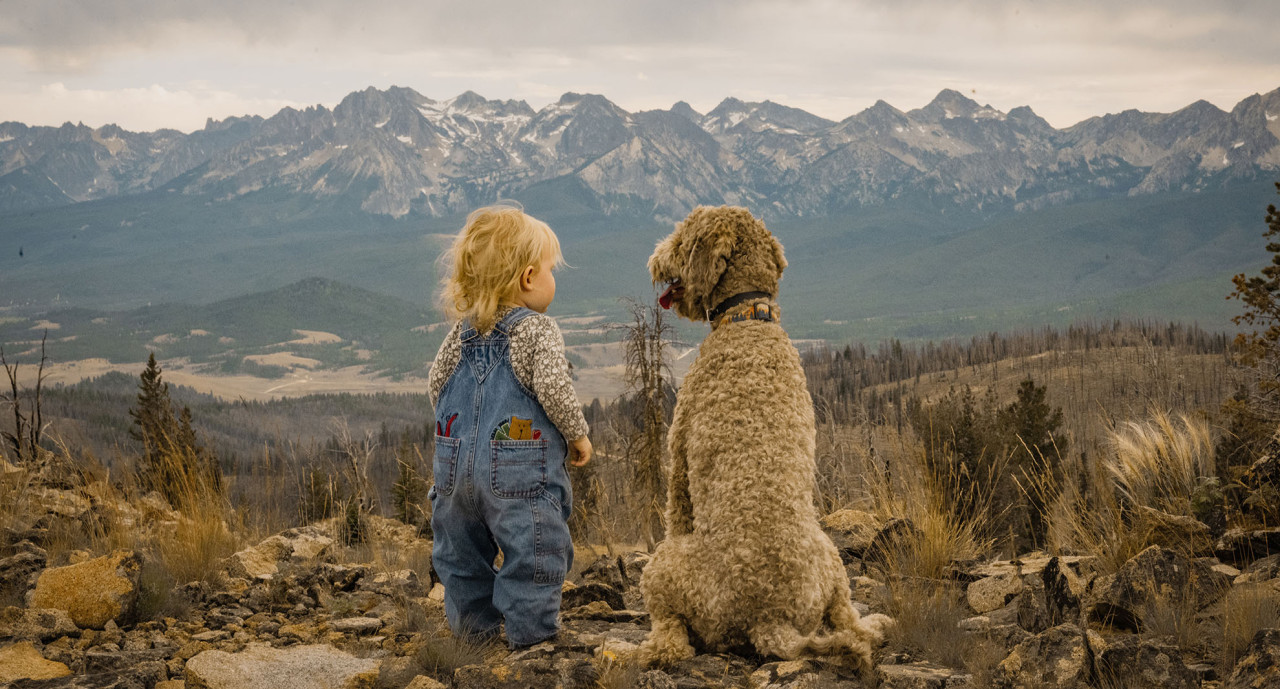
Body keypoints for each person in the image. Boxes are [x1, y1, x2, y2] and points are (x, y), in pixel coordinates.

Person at [427, 204, 593, 649]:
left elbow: (436, 388)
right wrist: (577, 434)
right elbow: (555, 388)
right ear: (527, 277)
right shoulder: (537, 331)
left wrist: (458, 442)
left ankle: (473, 638)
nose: (553, 281)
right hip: (517, 472)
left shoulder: (461, 334)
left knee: (460, 555)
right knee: (534, 550)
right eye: (550, 271)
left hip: (453, 471)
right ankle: (532, 641)